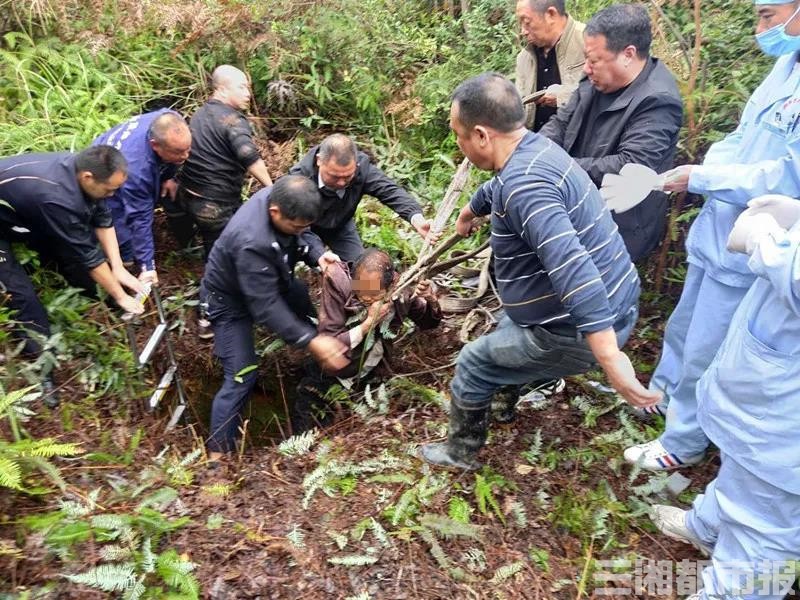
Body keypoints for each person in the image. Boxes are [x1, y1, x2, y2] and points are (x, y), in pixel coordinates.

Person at [419, 73, 661, 471]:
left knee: (474, 363)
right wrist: (470, 209)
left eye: (458, 135)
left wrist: (609, 357)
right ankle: (503, 404)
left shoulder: (525, 186)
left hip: (583, 329)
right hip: (616, 300)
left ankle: (459, 453)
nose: (458, 145)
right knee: (504, 326)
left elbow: (572, 266)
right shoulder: (536, 150)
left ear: (481, 135)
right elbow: (498, 187)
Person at [624, 0, 800, 471]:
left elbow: (787, 176)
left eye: (768, 16)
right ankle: (659, 396)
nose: (761, 28)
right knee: (684, 328)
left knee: (708, 346)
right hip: (717, 230)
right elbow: (742, 138)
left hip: (753, 240)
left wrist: (705, 180)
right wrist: (702, 169)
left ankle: (682, 442)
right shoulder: (786, 65)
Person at [649, 197, 800, 600]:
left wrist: (765, 241)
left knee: (767, 523)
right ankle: (709, 526)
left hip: (788, 413)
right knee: (745, 462)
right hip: (770, 387)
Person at [200, 175, 347, 461]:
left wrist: (318, 254)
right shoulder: (251, 241)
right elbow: (265, 306)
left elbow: (302, 232)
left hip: (274, 277)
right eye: (295, 226)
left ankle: (312, 370)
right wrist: (312, 340)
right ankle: (216, 460)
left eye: (305, 225)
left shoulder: (285, 198)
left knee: (300, 296)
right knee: (241, 375)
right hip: (230, 301)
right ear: (274, 213)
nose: (300, 230)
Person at [0, 146, 145, 407]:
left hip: (23, 210)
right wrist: (121, 295)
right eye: (109, 190)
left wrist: (118, 267)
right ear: (88, 178)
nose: (112, 195)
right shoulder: (56, 196)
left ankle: (107, 302)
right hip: (10, 216)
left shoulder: (82, 171)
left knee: (72, 255)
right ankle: (43, 369)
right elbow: (88, 256)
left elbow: (102, 218)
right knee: (21, 295)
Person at [539, 3, 683, 262]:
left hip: (617, 227)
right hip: (576, 206)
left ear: (628, 54)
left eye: (594, 60)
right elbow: (560, 123)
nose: (586, 68)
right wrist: (535, 153)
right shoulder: (595, 78)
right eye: (587, 58)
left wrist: (557, 167)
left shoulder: (658, 101)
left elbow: (630, 166)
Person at [291, 248, 442, 432]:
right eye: (360, 294)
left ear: (390, 285)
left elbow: (428, 322)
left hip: (372, 376)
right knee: (308, 428)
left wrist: (430, 300)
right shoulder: (338, 282)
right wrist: (367, 324)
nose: (365, 299)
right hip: (330, 374)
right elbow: (329, 342)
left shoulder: (402, 289)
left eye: (373, 296)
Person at [175, 65, 274, 260]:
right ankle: (213, 285)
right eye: (242, 88)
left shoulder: (200, 114)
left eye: (248, 88)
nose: (247, 94)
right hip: (215, 205)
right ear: (222, 89)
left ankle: (191, 254)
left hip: (187, 196)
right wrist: (272, 188)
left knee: (215, 239)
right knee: (223, 255)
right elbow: (248, 155)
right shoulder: (233, 120)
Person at [288, 133, 433, 263]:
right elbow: (294, 224)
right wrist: (320, 255)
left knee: (360, 269)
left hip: (339, 225)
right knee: (287, 269)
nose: (341, 183)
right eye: (335, 176)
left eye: (347, 177)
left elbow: (389, 190)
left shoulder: (361, 169)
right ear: (319, 161)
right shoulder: (298, 180)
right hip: (300, 229)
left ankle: (364, 292)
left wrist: (415, 217)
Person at [93, 109, 192, 284]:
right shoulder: (135, 170)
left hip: (130, 159)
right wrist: (148, 266)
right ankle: (123, 273)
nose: (185, 156)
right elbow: (140, 217)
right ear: (155, 145)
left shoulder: (169, 118)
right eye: (178, 152)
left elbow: (174, 154)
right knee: (123, 240)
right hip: (105, 178)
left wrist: (169, 176)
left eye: (188, 148)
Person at [514, 0, 586, 132]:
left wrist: (562, 97)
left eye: (527, 22)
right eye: (520, 24)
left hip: (580, 143)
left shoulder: (588, 40)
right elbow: (519, 106)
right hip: (537, 144)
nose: (523, 31)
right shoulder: (524, 58)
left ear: (551, 14)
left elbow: (607, 95)